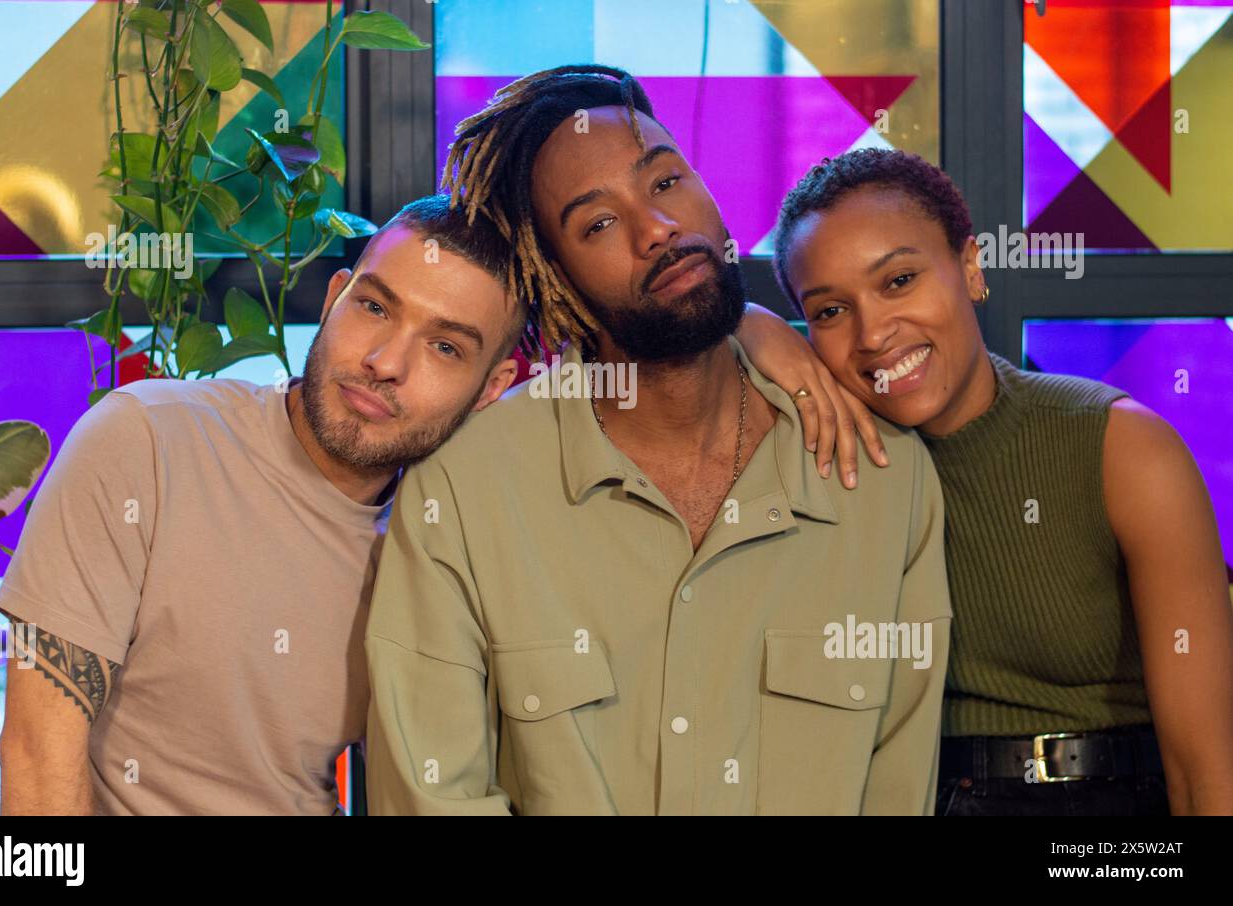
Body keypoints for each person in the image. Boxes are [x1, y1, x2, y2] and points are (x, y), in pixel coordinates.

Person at [364, 66, 951, 815]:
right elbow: (432, 797)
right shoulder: (465, 494)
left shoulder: (882, 479)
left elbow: (899, 792)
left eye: (667, 182)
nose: (659, 231)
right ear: (558, 280)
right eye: (599, 224)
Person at [738, 147, 1233, 815]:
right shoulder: (818, 454)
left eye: (900, 280)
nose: (875, 333)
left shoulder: (1120, 448)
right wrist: (747, 323)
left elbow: (1205, 774)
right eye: (830, 312)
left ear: (971, 267)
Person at [0, 196, 527, 814]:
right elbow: (35, 759)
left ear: (492, 387)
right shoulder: (146, 441)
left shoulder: (441, 547)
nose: (385, 363)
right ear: (333, 299)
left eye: (444, 349)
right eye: (375, 307)